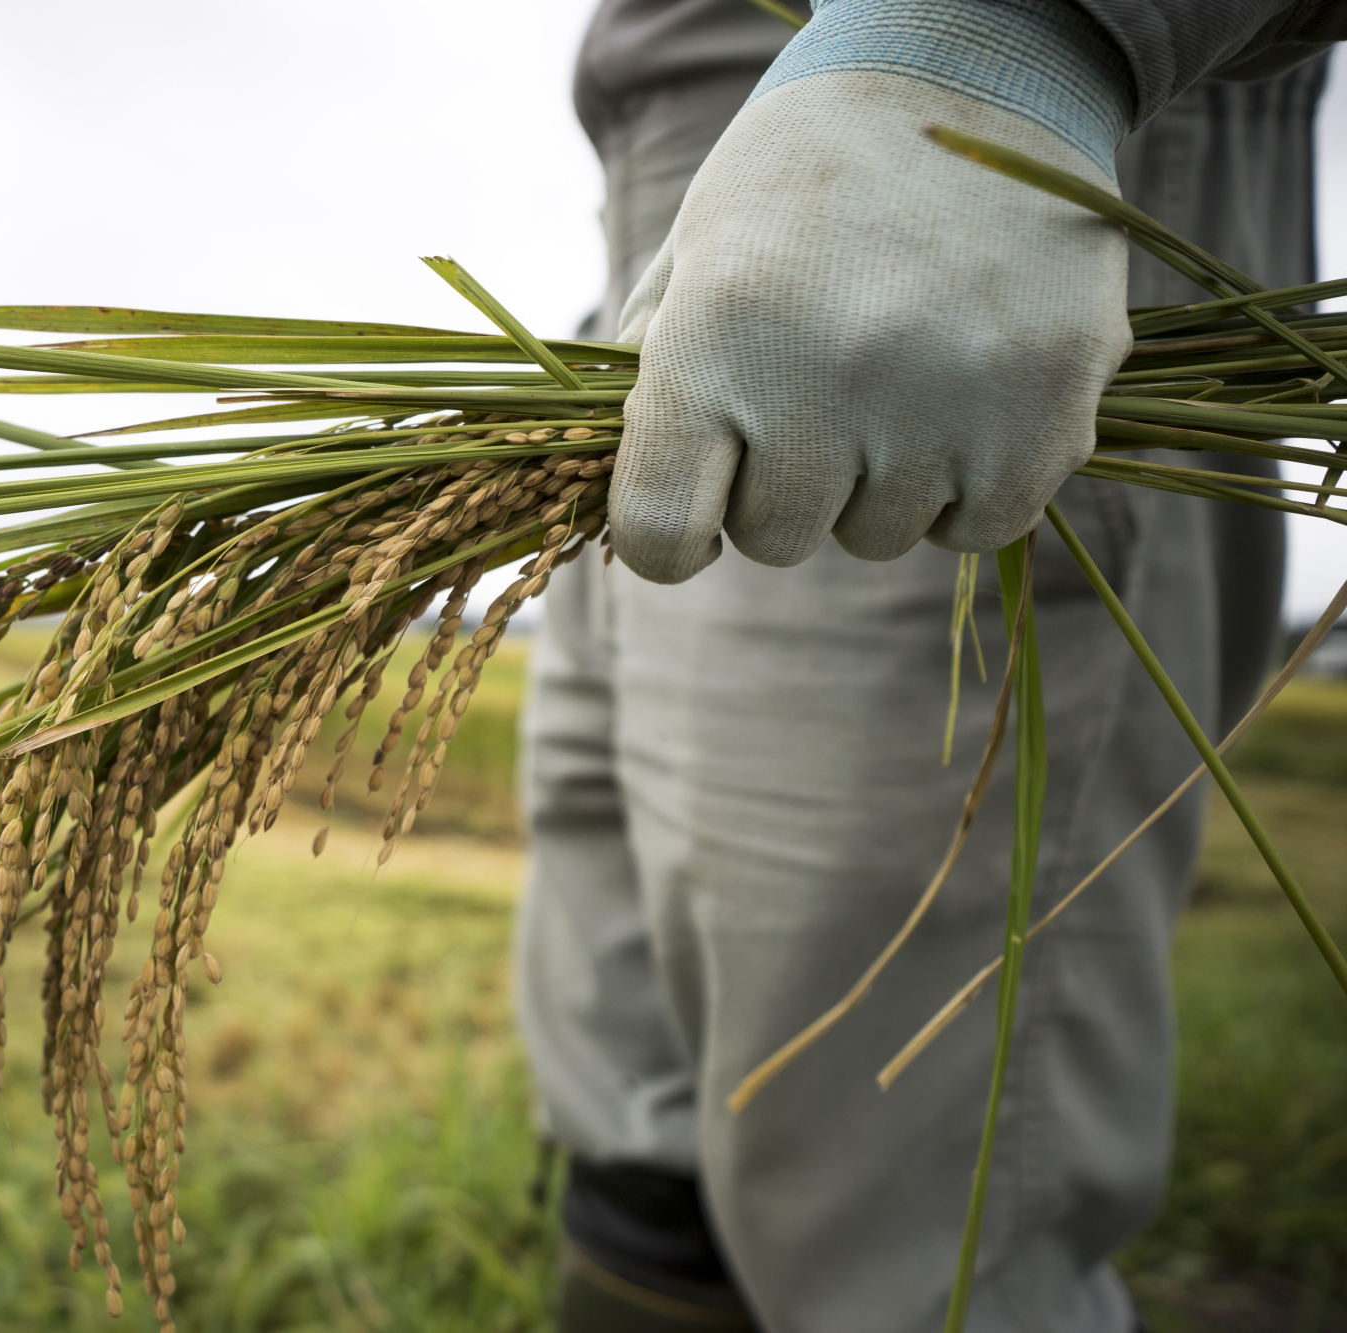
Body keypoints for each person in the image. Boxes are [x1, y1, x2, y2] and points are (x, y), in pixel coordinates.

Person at [514, 2, 1343, 1330]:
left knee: (893, 1220)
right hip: (694, 166)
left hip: (964, 170)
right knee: (641, 1102)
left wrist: (1009, 33)